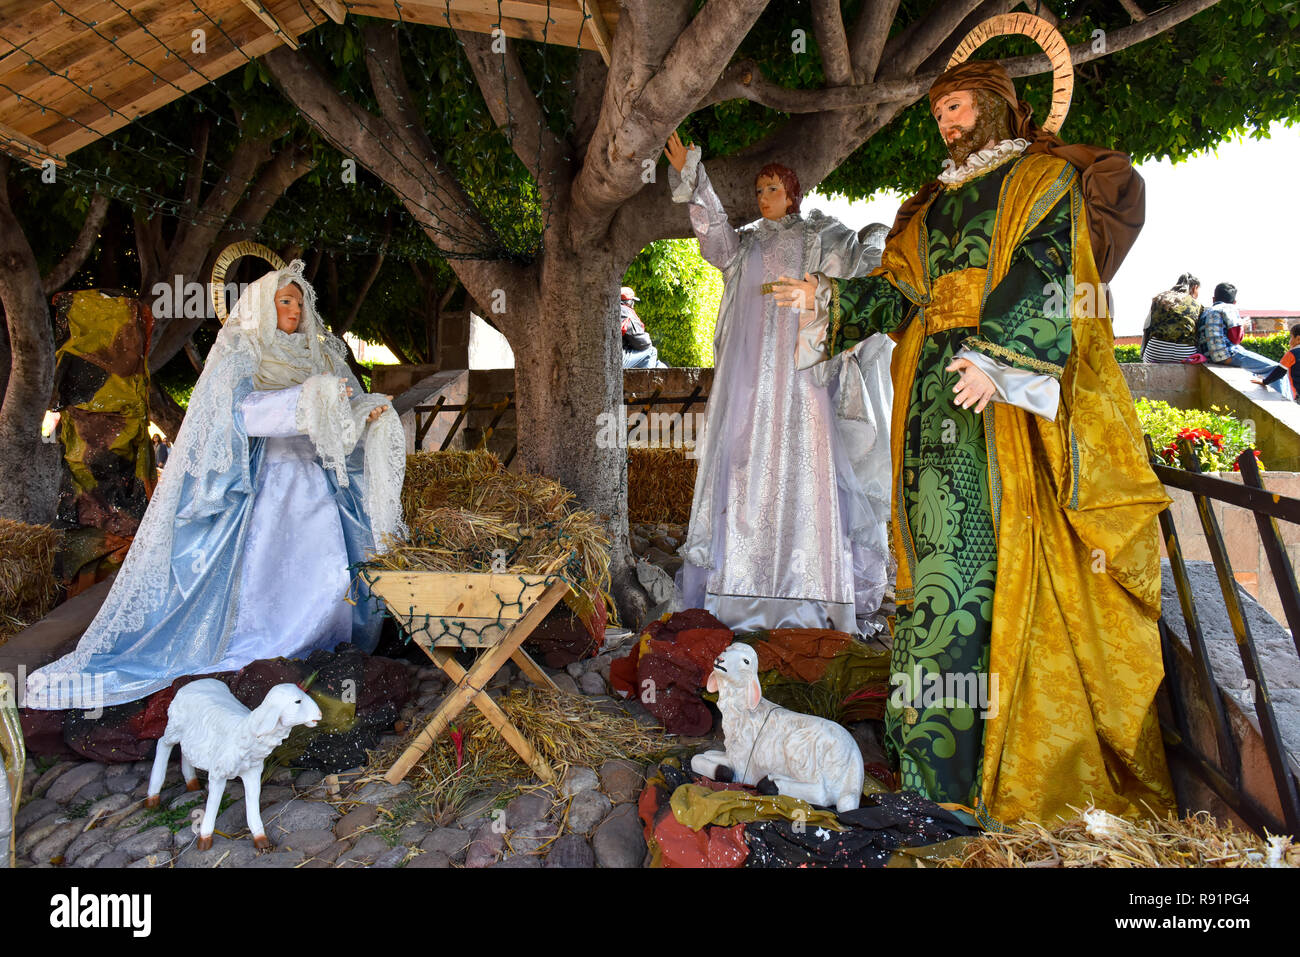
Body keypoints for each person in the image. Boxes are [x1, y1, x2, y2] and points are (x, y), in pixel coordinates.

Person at [777, 50, 1174, 826]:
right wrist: (830, 297)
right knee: (930, 579)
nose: (947, 125)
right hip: (927, 402)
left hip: (994, 406)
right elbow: (899, 288)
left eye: (957, 108)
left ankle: (992, 770)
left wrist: (1001, 357)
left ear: (993, 105)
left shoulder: (1038, 179)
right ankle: (933, 767)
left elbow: (1052, 267)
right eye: (938, 115)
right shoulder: (929, 204)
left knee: (980, 571)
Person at [27, 259, 407, 711]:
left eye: (300, 302)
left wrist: (363, 411)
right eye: (284, 301)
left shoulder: (318, 354)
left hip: (317, 483)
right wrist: (305, 399)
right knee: (277, 570)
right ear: (263, 305)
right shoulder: (244, 351)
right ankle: (276, 646)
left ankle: (318, 645)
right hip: (270, 483)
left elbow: (336, 419)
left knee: (327, 570)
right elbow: (239, 414)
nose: (294, 311)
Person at [664, 131, 892, 635]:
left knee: (809, 470)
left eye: (771, 188)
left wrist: (878, 243)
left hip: (804, 375)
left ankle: (812, 597)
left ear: (792, 193)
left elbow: (864, 267)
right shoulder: (744, 246)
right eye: (758, 189)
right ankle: (743, 593)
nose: (762, 196)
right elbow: (714, 235)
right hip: (751, 381)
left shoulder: (819, 235)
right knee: (746, 469)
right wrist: (694, 178)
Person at [1200, 282, 1283, 392]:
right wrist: (1242, 325)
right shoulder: (1229, 308)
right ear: (1234, 302)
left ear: (1213, 299)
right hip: (1226, 355)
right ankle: (1285, 403)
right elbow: (1236, 339)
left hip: (1207, 357)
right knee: (1277, 370)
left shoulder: (1205, 312)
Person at [1140, 273, 1202, 363]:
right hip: (1184, 353)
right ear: (1195, 288)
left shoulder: (1160, 298)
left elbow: (1147, 326)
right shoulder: (1197, 305)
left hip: (1156, 351)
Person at [1251, 322, 1300, 400]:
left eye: (1291, 337)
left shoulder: (1292, 354)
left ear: (1298, 339)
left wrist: (1264, 382)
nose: (1289, 340)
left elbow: (1279, 372)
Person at [619, 287, 665, 368]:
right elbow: (642, 343)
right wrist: (647, 336)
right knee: (651, 351)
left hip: (604, 357)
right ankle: (649, 380)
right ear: (629, 302)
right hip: (617, 359)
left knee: (657, 364)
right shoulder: (625, 312)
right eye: (633, 301)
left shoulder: (610, 310)